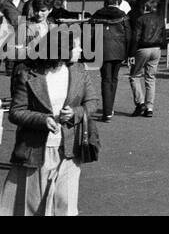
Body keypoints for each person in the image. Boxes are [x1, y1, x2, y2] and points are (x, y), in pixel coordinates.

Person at [1, 45, 101, 215]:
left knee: (65, 205)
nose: (80, 49)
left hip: (70, 148)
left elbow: (92, 102)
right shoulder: (27, 73)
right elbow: (16, 111)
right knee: (32, 206)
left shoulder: (78, 70)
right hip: (36, 149)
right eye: (75, 46)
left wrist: (76, 112)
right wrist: (43, 120)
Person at [89, 0, 130, 121]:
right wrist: (128, 53)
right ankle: (109, 108)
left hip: (101, 50)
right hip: (119, 50)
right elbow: (129, 35)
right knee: (114, 79)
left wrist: (90, 51)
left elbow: (88, 33)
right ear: (118, 2)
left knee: (106, 79)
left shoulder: (97, 14)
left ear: (105, 3)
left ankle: (107, 112)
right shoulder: (123, 16)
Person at [128, 0, 166, 118]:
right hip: (156, 49)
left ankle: (140, 102)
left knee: (134, 76)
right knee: (150, 78)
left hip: (142, 49)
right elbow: (164, 36)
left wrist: (131, 54)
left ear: (145, 8)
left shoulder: (140, 19)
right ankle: (150, 107)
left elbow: (135, 38)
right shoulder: (160, 19)